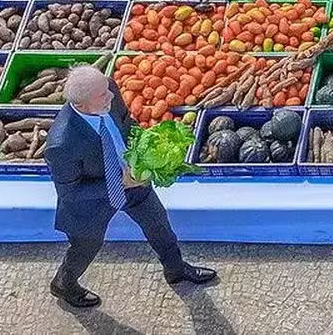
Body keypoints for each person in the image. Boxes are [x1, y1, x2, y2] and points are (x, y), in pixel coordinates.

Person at [44, 65, 216, 308]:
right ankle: (64, 284)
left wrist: (146, 150)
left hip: (134, 181)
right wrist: (118, 183)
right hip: (92, 202)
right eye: (103, 96)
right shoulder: (61, 144)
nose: (112, 96)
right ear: (82, 105)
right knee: (85, 248)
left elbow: (128, 124)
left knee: (159, 225)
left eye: (107, 89)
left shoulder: (107, 90)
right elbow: (70, 192)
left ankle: (175, 269)